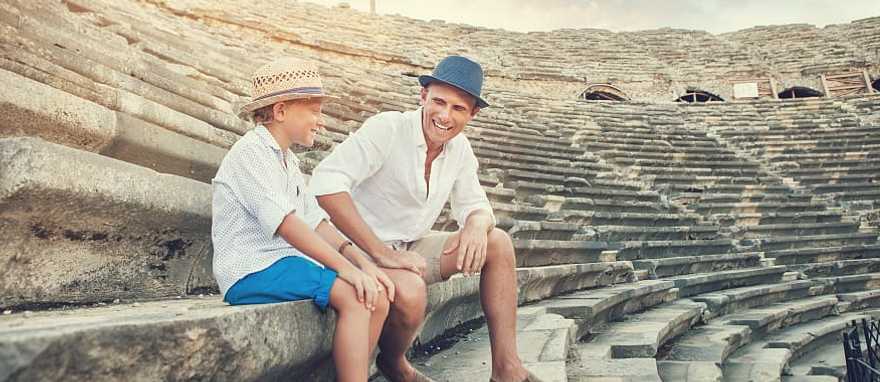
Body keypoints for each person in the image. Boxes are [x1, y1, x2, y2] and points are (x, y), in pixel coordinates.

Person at [310, 55, 541, 382]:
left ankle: (506, 369)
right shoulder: (388, 128)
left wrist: (476, 223)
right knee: (412, 292)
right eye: (439, 102)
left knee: (497, 242)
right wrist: (381, 253)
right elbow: (326, 184)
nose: (445, 116)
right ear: (423, 97)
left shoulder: (459, 149)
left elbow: (475, 203)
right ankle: (393, 363)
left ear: (472, 114)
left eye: (459, 108)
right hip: (355, 248)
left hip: (410, 247)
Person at [211, 57, 394, 382]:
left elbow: (317, 223)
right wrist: (345, 269)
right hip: (252, 270)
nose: (321, 121)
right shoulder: (250, 153)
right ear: (281, 111)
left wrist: (361, 263)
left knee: (374, 295)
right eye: (313, 110)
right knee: (355, 296)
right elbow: (288, 224)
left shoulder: (288, 161)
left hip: (283, 265)